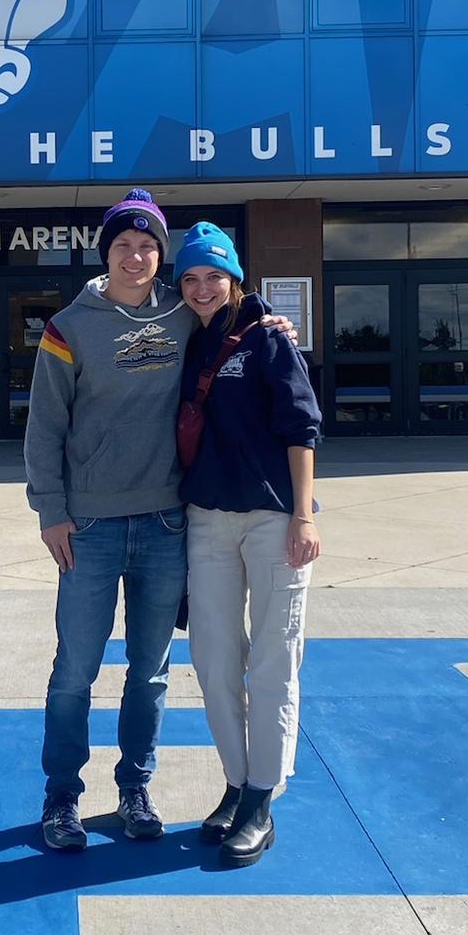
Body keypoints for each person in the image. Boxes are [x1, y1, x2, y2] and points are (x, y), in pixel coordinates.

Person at [24, 190, 296, 853]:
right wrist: (51, 512)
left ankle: (134, 789)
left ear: (160, 255)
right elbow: (44, 427)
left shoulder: (183, 314)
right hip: (88, 525)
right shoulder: (69, 326)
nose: (136, 255)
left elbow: (234, 321)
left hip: (167, 523)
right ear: (106, 253)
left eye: (147, 245)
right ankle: (62, 798)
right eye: (123, 244)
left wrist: (274, 325)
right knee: (75, 672)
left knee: (150, 672)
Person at [175, 221, 322, 868]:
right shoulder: (184, 340)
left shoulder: (266, 339)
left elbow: (301, 425)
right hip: (206, 518)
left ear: (236, 278)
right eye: (191, 278)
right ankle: (235, 783)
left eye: (214, 276)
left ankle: (262, 797)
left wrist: (303, 515)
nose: (203, 287)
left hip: (272, 519)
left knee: (272, 660)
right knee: (211, 660)